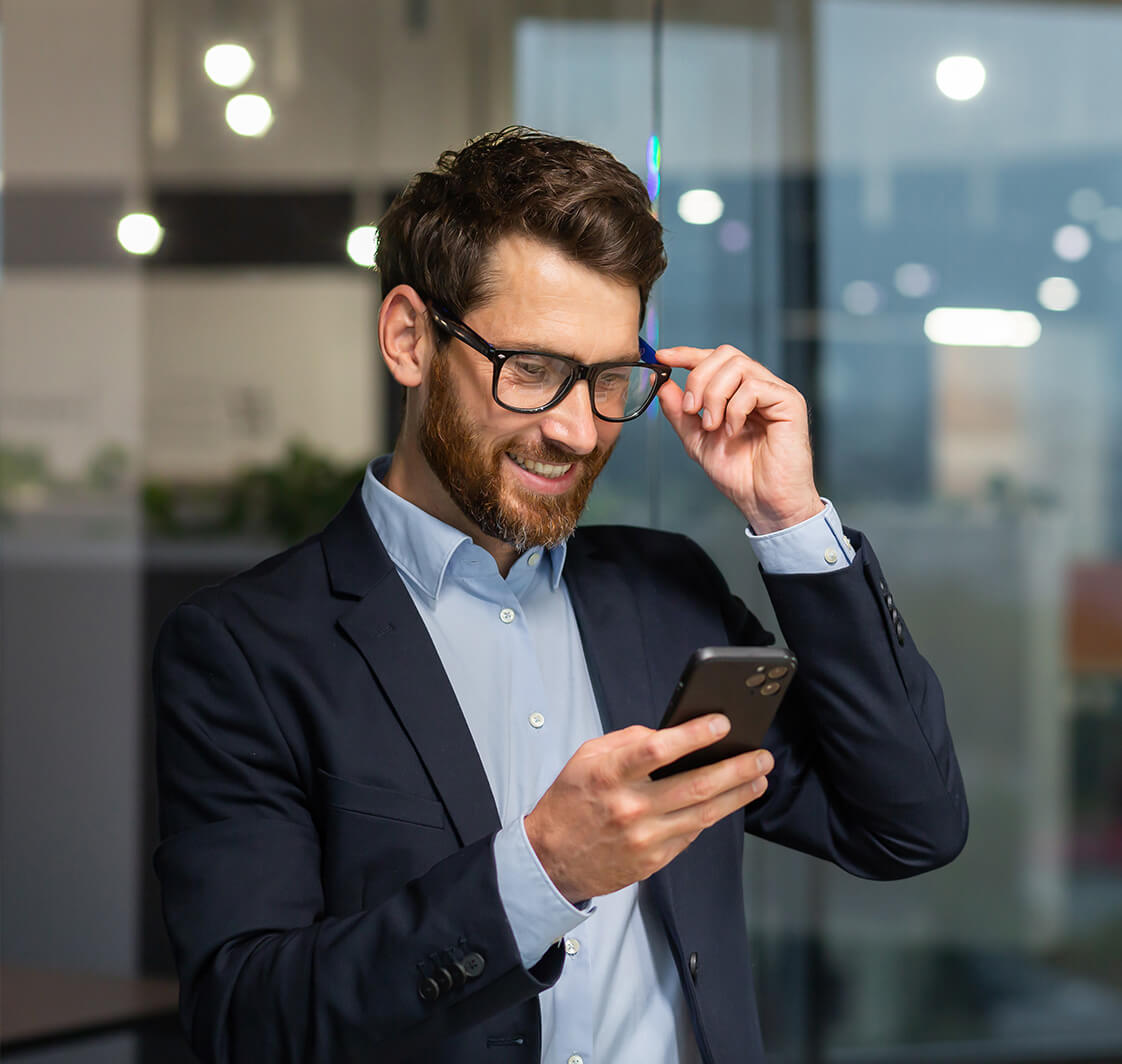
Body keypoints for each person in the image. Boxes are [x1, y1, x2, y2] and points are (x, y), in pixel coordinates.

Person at [153, 127, 968, 1064]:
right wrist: (537, 875)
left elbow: (908, 826)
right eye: (533, 371)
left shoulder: (666, 596)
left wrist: (786, 515)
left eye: (610, 379)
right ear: (410, 338)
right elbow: (246, 1023)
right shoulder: (245, 649)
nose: (579, 431)